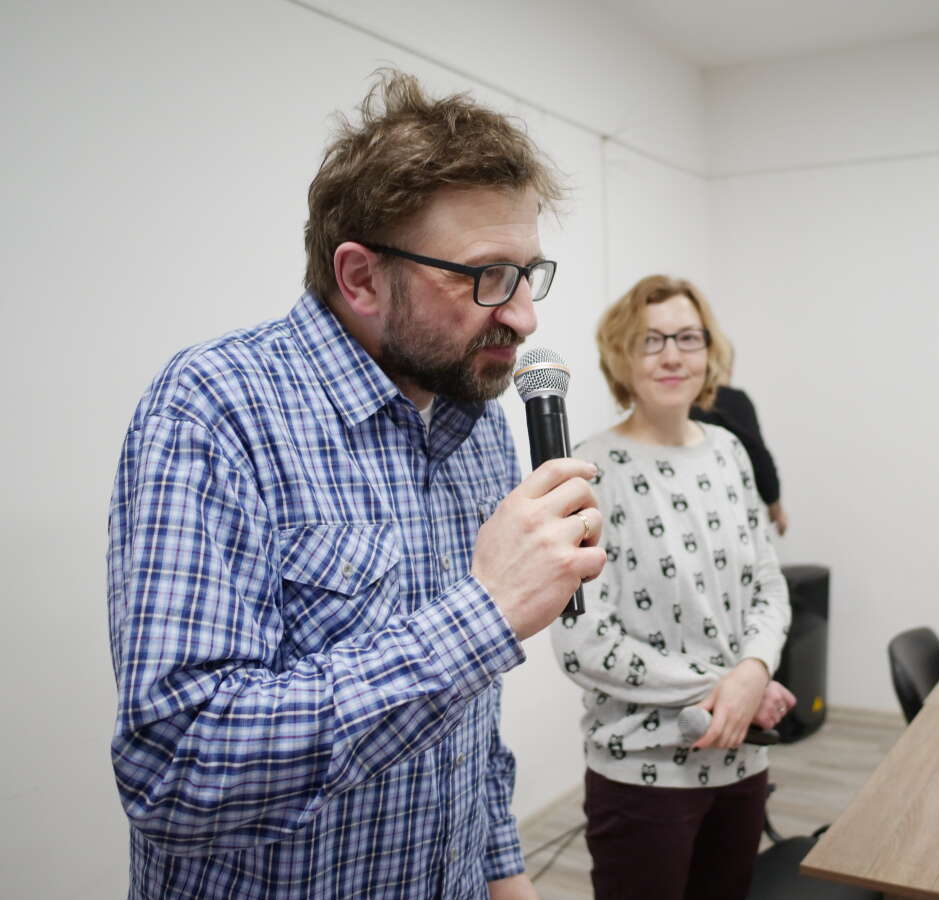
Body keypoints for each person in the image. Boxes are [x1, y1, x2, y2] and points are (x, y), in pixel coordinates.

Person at [105, 71, 605, 900]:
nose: (524, 317)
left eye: (528, 274)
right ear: (362, 278)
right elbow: (176, 772)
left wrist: (503, 873)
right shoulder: (217, 408)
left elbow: (466, 724)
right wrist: (482, 616)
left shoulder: (477, 420)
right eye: (486, 276)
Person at [551, 275, 795, 900]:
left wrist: (754, 669)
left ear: (709, 351)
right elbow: (584, 644)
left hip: (743, 759)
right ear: (621, 356)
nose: (671, 356)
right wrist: (733, 687)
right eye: (650, 340)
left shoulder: (730, 452)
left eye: (688, 338)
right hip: (643, 774)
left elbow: (769, 585)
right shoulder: (587, 471)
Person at [691, 362, 788, 536]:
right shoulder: (733, 400)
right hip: (725, 509)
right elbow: (758, 455)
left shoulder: (682, 404)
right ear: (728, 369)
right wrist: (775, 506)